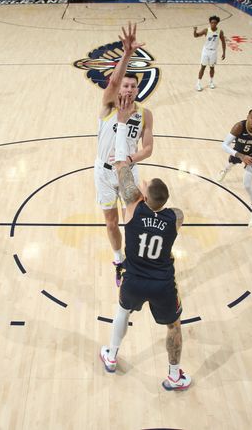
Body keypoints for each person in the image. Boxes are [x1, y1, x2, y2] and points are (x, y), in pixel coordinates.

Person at [99, 94, 190, 391]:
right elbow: (174, 212)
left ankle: (111, 355)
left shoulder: (131, 208)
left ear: (144, 196)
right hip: (163, 282)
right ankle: (174, 374)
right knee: (173, 326)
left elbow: (121, 165)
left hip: (134, 279)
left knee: (122, 311)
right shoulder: (175, 217)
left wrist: (122, 123)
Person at [96, 22, 155, 286]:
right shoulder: (109, 105)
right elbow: (114, 79)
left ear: (138, 90)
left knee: (132, 222)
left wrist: (130, 160)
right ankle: (119, 261)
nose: (128, 89)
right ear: (120, 89)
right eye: (125, 86)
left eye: (133, 86)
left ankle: (136, 260)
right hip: (103, 173)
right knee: (111, 223)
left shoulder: (145, 114)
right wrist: (127, 54)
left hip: (128, 172)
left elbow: (149, 149)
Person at [192, 15, 226, 91]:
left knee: (212, 67)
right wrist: (195, 31)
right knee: (203, 67)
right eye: (212, 22)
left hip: (213, 51)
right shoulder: (206, 30)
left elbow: (223, 42)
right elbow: (196, 36)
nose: (213, 24)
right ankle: (198, 83)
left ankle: (211, 82)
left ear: (217, 23)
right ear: (210, 23)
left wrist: (224, 52)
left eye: (215, 23)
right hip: (206, 51)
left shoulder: (220, 31)